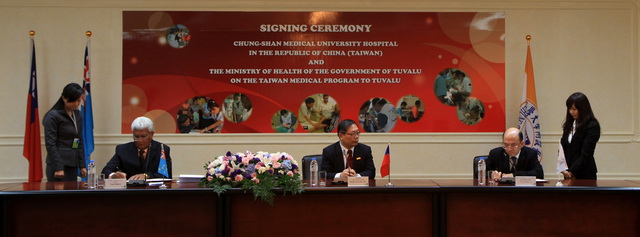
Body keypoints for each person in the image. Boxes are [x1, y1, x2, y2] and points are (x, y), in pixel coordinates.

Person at [102, 117, 172, 179]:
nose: (140, 140)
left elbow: (166, 175)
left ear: (152, 134)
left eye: (143, 136)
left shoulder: (162, 149)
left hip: (154, 191)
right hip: (129, 190)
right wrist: (113, 175)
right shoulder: (122, 150)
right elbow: (106, 171)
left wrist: (146, 175)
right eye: (136, 136)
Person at [43, 83, 87, 181]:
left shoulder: (78, 114)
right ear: (64, 98)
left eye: (79, 100)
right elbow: (50, 143)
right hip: (58, 165)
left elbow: (79, 140)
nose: (76, 104)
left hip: (73, 163)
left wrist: (82, 165)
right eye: (73, 101)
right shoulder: (53, 116)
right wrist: (58, 167)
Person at [560, 92, 600, 179]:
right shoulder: (569, 125)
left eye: (574, 109)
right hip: (568, 172)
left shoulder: (592, 125)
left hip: (584, 173)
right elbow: (563, 148)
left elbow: (586, 153)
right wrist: (563, 168)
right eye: (569, 109)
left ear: (583, 109)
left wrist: (572, 172)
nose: (571, 112)